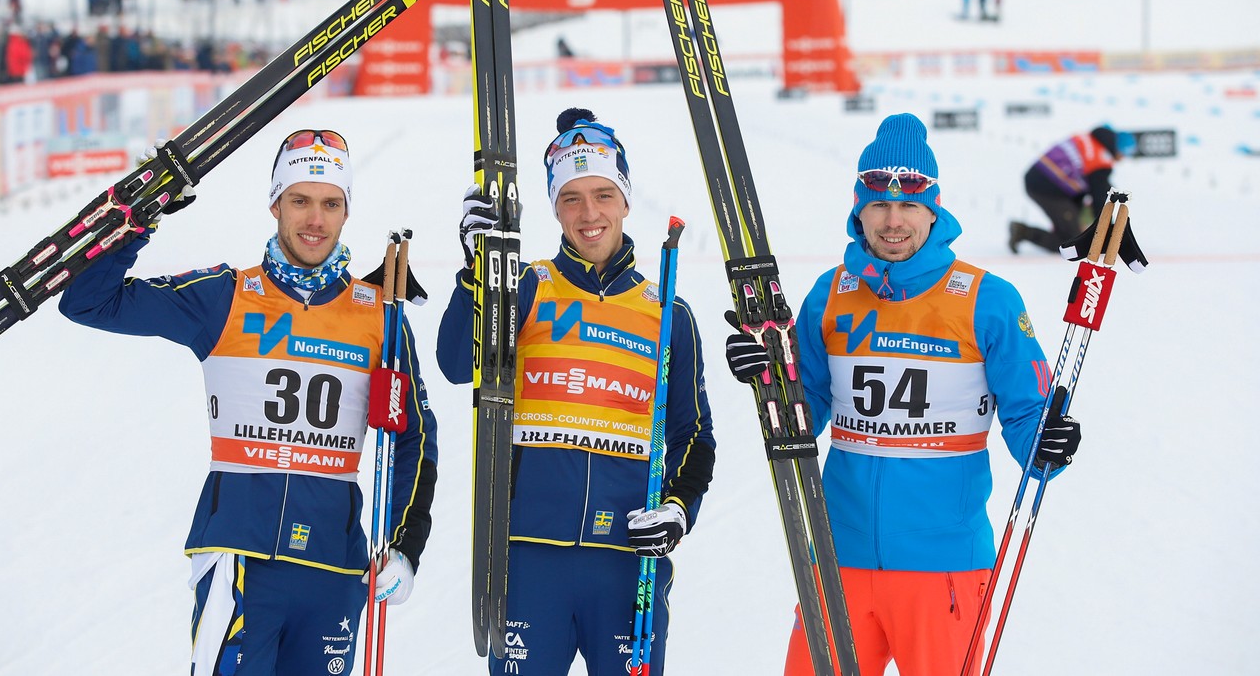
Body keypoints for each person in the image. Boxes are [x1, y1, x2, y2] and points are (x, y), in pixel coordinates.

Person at [59, 129, 439, 675]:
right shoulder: (225, 295)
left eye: (331, 204)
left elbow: (414, 437)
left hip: (334, 570)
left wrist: (406, 544)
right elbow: (89, 302)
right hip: (239, 560)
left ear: (346, 212)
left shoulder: (381, 314)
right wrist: (139, 217)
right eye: (300, 201)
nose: (315, 220)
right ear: (275, 204)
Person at [724, 113, 1080, 676]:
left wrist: (1048, 443)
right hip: (838, 560)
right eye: (879, 205)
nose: (893, 221)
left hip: (944, 568)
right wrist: (769, 375)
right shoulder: (830, 294)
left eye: (909, 205)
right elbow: (804, 412)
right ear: (858, 211)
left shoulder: (986, 299)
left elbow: (1027, 413)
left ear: (932, 208)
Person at [437, 108, 717, 675]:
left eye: (603, 194)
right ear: (555, 207)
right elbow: (456, 362)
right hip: (527, 558)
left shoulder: (667, 314)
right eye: (571, 198)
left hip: (627, 564)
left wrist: (676, 508)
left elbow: (693, 436)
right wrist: (478, 274)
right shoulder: (525, 286)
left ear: (625, 199)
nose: (589, 214)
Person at [1009, 125, 1121, 254]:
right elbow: (1099, 200)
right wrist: (1109, 235)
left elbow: (1079, 186)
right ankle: (1023, 232)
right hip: (1048, 190)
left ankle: (1036, 231)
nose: (1122, 157)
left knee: (1070, 224)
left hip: (1037, 179)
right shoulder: (1100, 161)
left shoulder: (1085, 138)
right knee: (1072, 242)